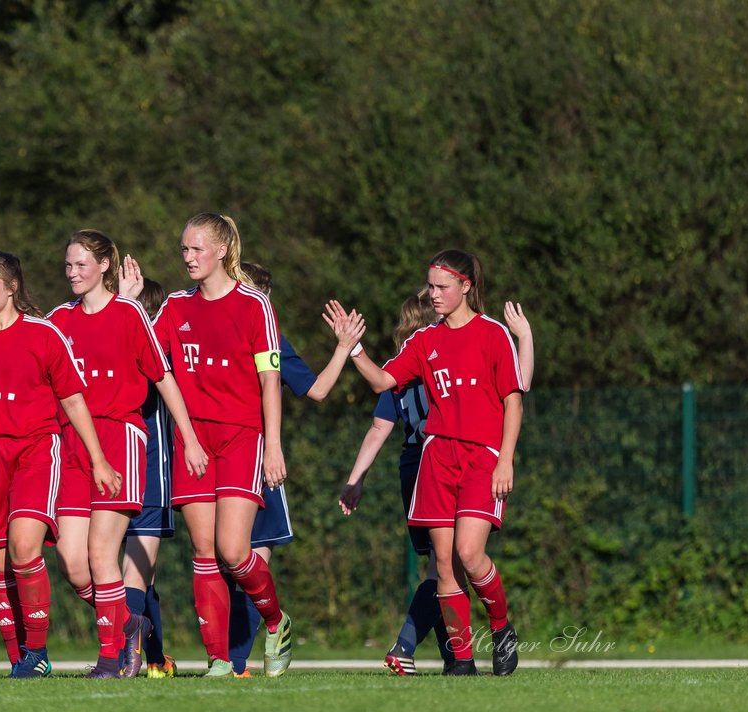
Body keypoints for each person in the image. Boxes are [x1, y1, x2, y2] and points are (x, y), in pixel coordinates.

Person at [334, 248, 525, 676]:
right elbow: (384, 380)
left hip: (482, 457)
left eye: (443, 287)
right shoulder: (425, 340)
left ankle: (501, 628)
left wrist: (505, 460)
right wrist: (352, 348)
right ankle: (460, 660)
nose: (433, 294)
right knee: (444, 565)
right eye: (432, 286)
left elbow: (513, 402)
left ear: (466, 287)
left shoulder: (493, 334)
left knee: (470, 553)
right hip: (436, 457)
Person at [0, 250, 121, 678]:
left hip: (37, 451)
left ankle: (37, 655)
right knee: (0, 565)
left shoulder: (44, 334)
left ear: (12, 287)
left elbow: (73, 400)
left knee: (24, 548)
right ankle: (18, 660)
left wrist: (98, 460)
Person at [46, 230, 206, 678]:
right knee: (74, 565)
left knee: (102, 554)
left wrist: (189, 437)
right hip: (73, 442)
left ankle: (110, 658)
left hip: (120, 439)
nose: (73, 273)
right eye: (68, 265)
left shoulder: (130, 313)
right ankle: (128, 623)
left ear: (104, 266)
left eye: (81, 264)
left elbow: (163, 377)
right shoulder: (59, 319)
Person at [150, 212, 292, 677]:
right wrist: (186, 436)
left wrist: (273, 446)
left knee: (234, 550)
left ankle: (276, 622)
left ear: (222, 251)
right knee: (204, 550)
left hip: (241, 436)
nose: (188, 257)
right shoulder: (173, 307)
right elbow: (152, 364)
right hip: (192, 441)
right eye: (184, 249)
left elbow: (270, 381)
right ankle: (216, 659)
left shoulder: (254, 305)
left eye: (196, 249)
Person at [225, 261, 364, 676]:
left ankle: (242, 659)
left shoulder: (272, 340)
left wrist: (343, 348)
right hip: (217, 462)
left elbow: (317, 389)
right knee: (218, 564)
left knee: (249, 567)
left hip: (257, 464)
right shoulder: (212, 334)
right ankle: (227, 657)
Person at [116, 273, 180, 678]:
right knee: (133, 573)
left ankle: (136, 656)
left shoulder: (157, 351)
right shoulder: (127, 342)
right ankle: (152, 655)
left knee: (137, 571)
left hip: (149, 468)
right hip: (113, 466)